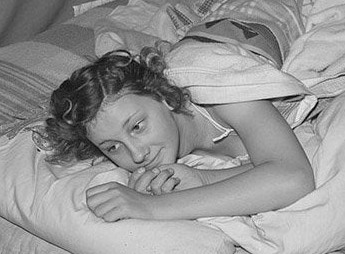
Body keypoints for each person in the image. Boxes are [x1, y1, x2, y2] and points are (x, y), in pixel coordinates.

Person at [40, 48, 315, 222]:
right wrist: (202, 178)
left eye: (137, 127)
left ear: (164, 97)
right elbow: (267, 167)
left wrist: (151, 208)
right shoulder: (164, 143)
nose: (137, 154)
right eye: (112, 148)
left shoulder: (223, 95)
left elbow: (294, 177)